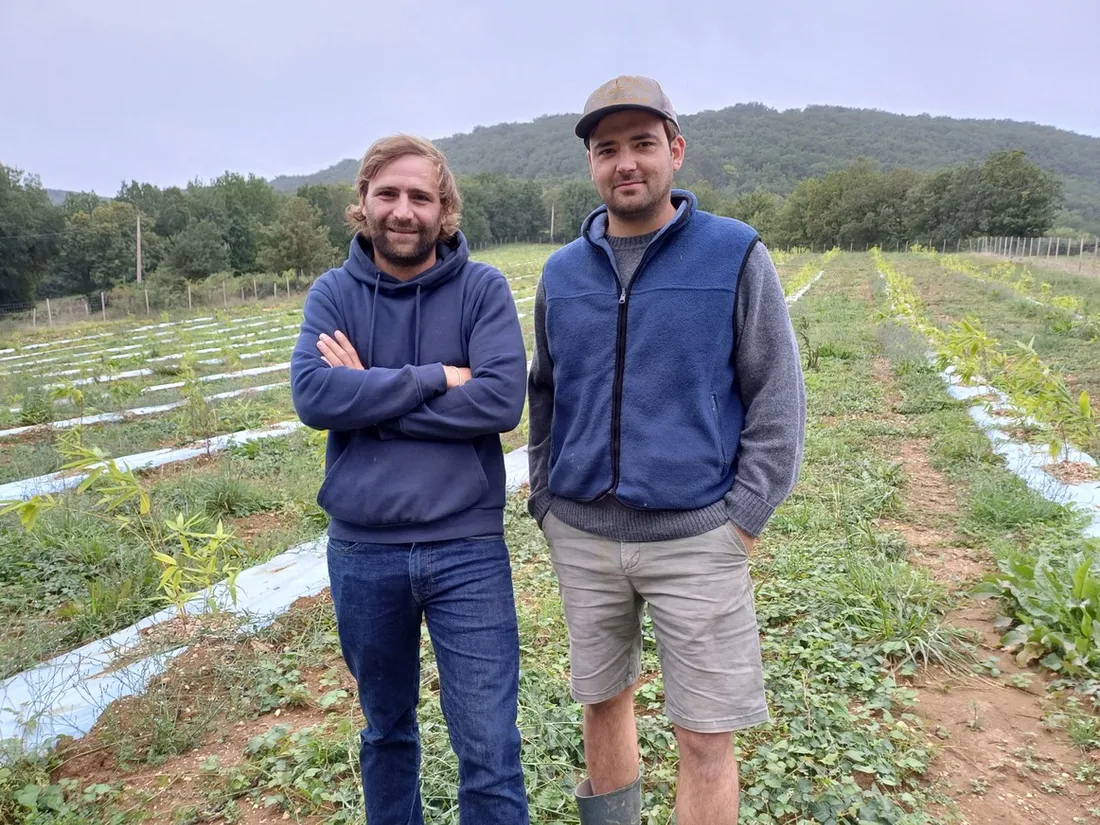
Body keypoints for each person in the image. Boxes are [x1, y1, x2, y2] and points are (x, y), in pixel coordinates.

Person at [527, 76, 806, 825]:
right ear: (591, 162)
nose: (626, 162)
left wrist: (742, 517)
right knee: (602, 702)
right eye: (607, 148)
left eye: (643, 144)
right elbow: (545, 391)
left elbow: (776, 394)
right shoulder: (561, 274)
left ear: (675, 151)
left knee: (704, 733)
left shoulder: (733, 253)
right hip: (583, 535)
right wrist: (545, 498)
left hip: (696, 539)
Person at [290, 133, 530, 825]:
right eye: (388, 193)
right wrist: (429, 379)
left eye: (420, 196)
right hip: (364, 552)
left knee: (488, 743)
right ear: (362, 202)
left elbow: (497, 402)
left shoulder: (480, 289)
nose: (403, 209)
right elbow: (314, 396)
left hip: (467, 550)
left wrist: (369, 395)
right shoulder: (333, 293)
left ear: (444, 208)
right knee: (385, 731)